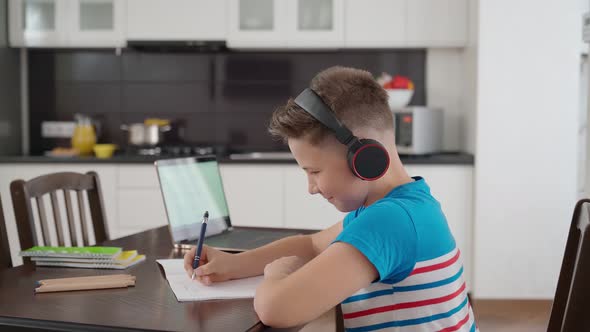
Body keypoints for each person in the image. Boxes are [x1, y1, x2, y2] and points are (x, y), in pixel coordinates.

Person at [184, 66, 477, 331]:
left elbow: (277, 309)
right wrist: (234, 263)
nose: (311, 187)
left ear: (364, 157)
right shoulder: (403, 206)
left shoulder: (391, 220)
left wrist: (278, 274)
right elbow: (310, 245)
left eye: (314, 171)